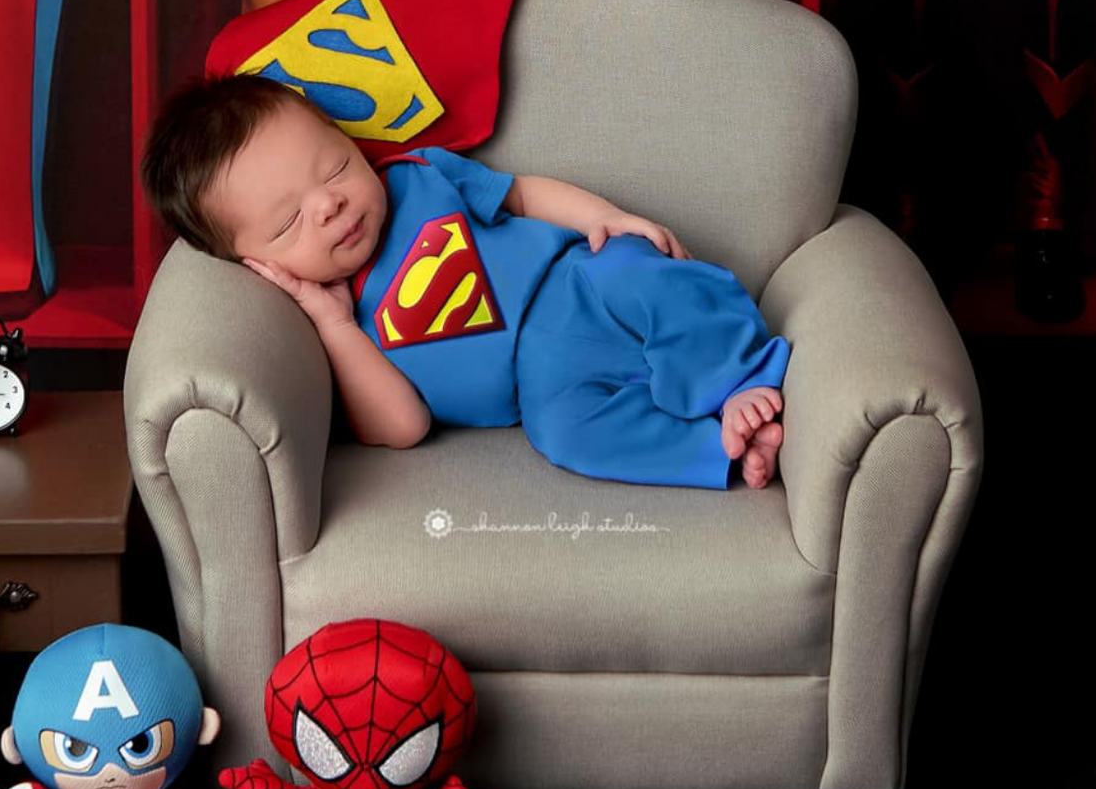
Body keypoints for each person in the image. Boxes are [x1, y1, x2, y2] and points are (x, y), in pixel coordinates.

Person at [141, 74, 791, 489]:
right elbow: (403, 425)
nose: (328, 205)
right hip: (542, 390)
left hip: (573, 282)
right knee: (568, 436)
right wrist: (334, 323)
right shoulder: (344, 325)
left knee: (644, 278)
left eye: (335, 166)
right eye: (287, 223)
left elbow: (524, 195)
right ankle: (718, 447)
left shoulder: (418, 175)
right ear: (259, 266)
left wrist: (606, 218)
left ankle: (736, 379)